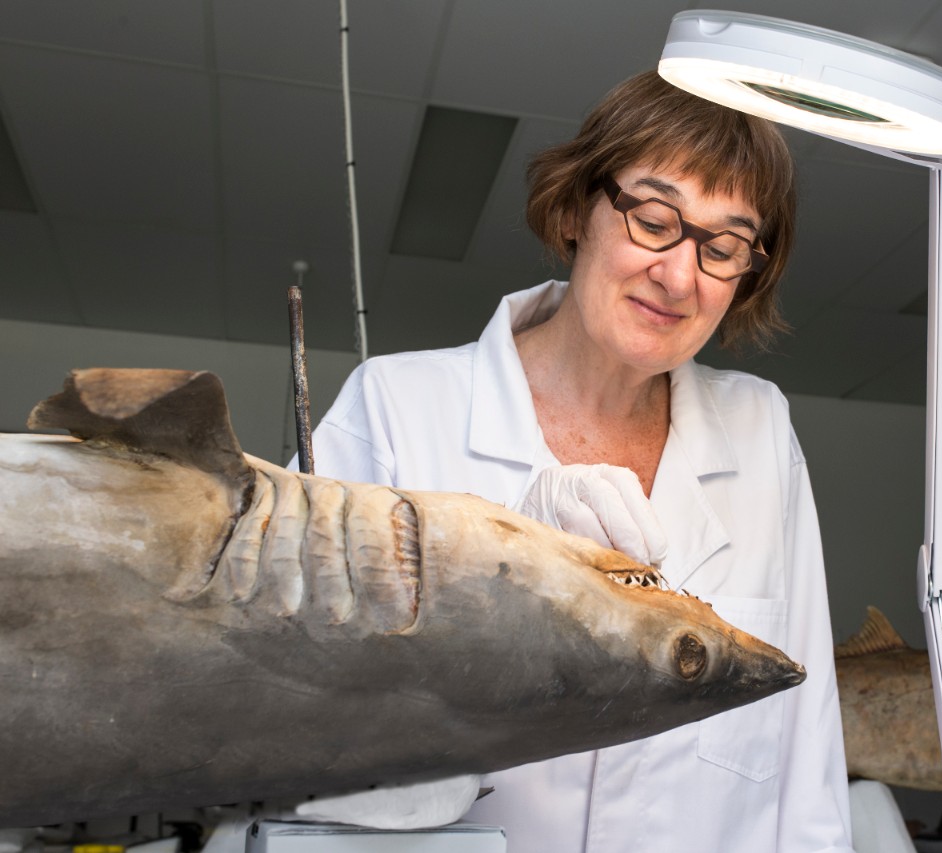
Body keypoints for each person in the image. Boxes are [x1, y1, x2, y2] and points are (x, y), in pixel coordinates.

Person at [309, 69, 853, 853]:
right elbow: (300, 718)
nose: (680, 276)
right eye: (653, 220)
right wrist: (502, 588)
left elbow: (806, 761)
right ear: (573, 210)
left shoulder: (760, 429)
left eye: (724, 247)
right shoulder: (396, 409)